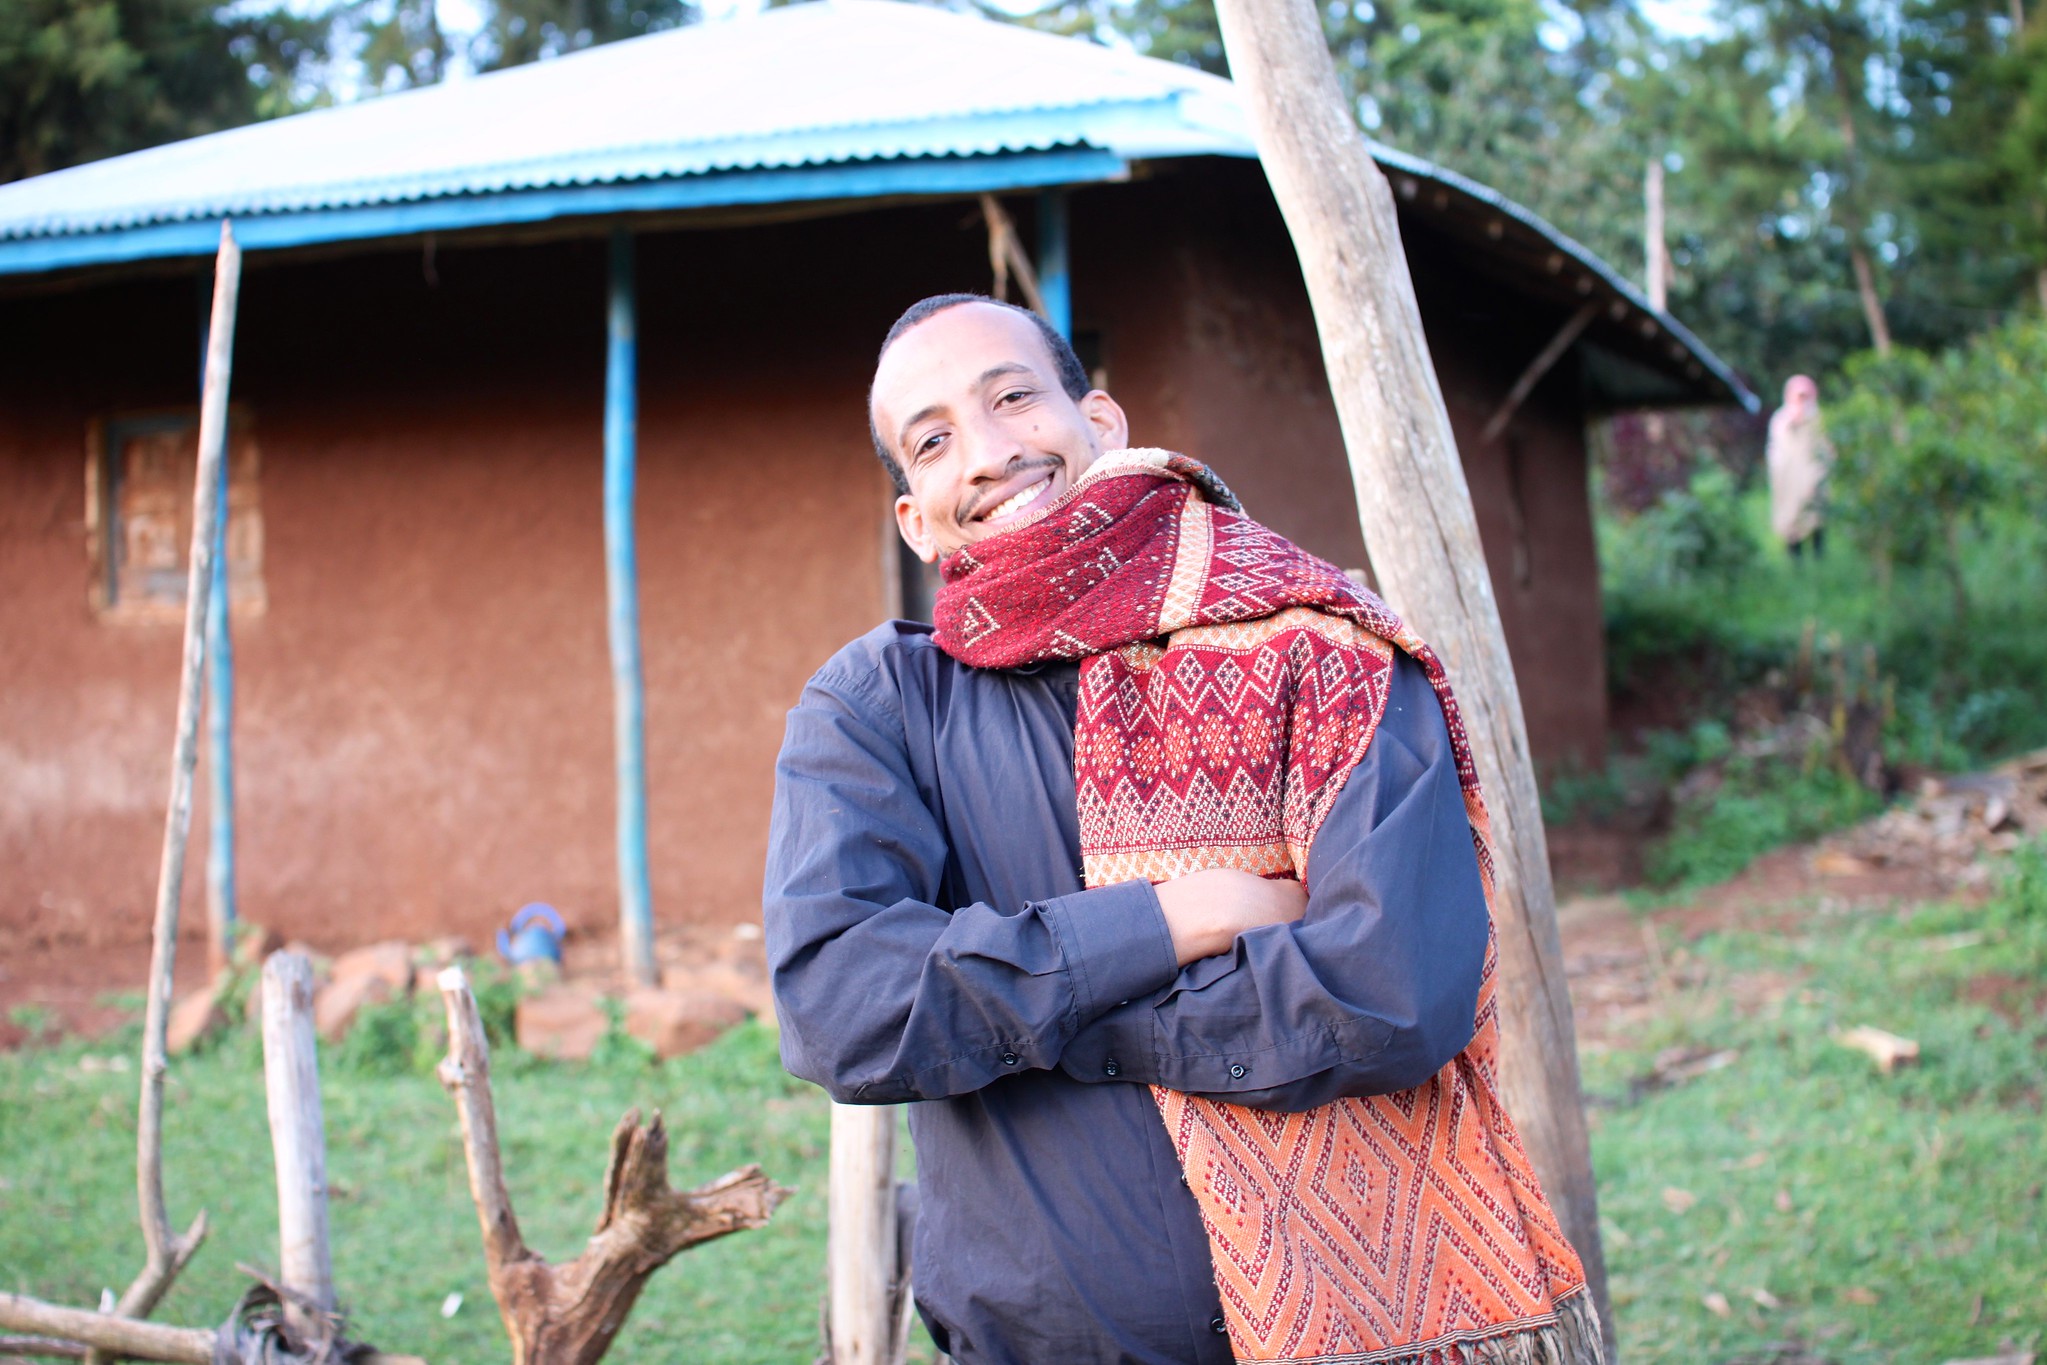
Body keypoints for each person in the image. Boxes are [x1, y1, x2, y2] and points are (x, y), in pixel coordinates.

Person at [764, 295, 1599, 1365]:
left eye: (1012, 396)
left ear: (1101, 423)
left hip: (1378, 1331)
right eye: (931, 441)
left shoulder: (1316, 647)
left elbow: (1393, 991)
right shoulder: (877, 707)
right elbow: (841, 1007)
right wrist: (1168, 922)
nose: (985, 453)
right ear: (917, 520)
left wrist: (1055, 1020)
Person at [1767, 374, 1832, 558]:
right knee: (1791, 524)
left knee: (1816, 522)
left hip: (1813, 481)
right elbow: (1777, 453)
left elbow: (1826, 451)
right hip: (1789, 484)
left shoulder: (1818, 419)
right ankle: (1796, 565)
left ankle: (1819, 563)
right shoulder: (1781, 420)